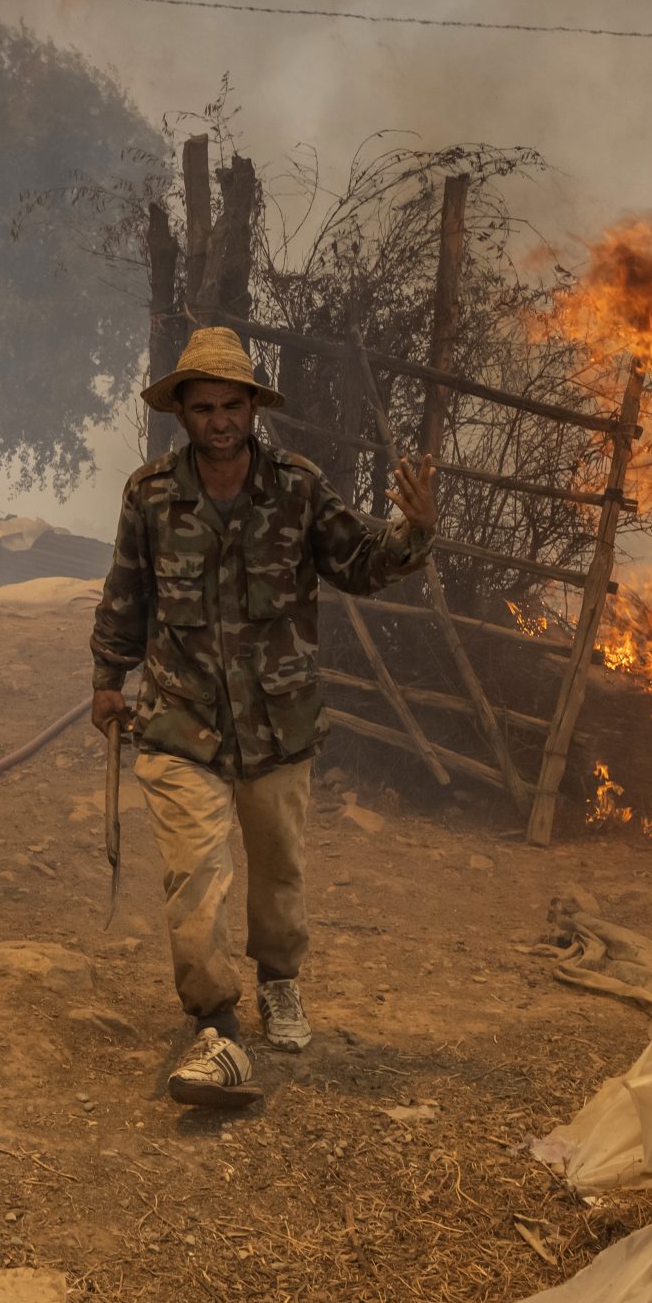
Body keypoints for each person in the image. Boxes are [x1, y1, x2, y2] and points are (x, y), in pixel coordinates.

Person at [90, 326, 437, 1107]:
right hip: (182, 724)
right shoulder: (149, 494)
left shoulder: (298, 486)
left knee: (279, 876)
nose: (219, 419)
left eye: (232, 405)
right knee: (196, 876)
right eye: (203, 406)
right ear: (181, 412)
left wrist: (414, 532)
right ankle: (215, 1020)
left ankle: (280, 982)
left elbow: (360, 562)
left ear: (254, 407)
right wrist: (108, 677)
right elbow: (126, 590)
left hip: (278, 727)